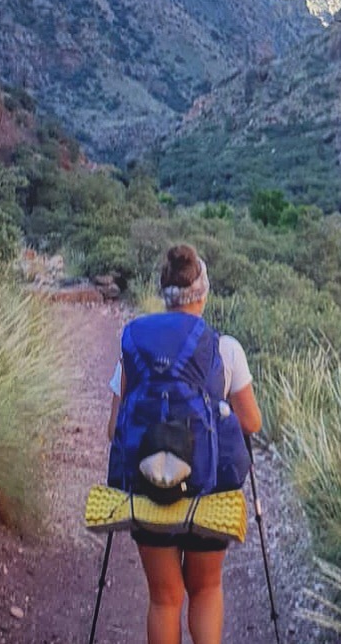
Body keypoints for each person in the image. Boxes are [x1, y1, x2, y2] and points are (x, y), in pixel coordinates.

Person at [108, 244, 262, 644]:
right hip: (208, 489)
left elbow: (114, 429)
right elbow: (251, 422)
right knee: (206, 589)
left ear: (164, 293)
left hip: (147, 487)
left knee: (164, 598)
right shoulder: (224, 347)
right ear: (204, 293)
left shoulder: (136, 348)